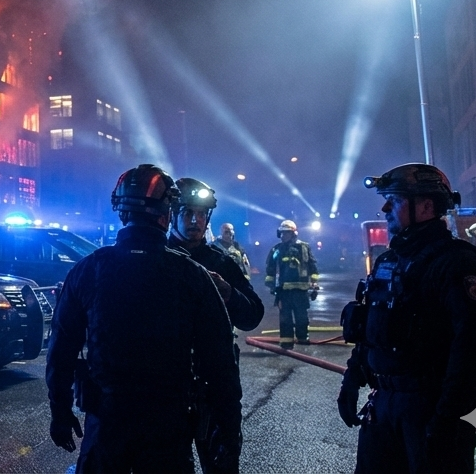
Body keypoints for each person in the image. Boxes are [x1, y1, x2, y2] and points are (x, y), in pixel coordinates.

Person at [46, 164, 241, 473]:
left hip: (106, 425)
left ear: (121, 212)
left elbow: (61, 350)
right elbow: (220, 364)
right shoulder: (192, 276)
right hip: (168, 429)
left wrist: (59, 411)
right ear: (166, 213)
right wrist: (230, 432)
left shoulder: (88, 270)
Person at [338, 164, 476, 473]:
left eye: (394, 200)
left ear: (425, 206)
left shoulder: (456, 262)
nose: (385, 208)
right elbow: (372, 328)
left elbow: (471, 350)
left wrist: (448, 420)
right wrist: (352, 380)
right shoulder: (389, 260)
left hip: (429, 407)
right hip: (384, 405)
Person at [168, 178, 263, 473]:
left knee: (223, 464)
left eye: (201, 214)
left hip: (216, 386)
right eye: (187, 213)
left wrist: (229, 293)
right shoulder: (156, 260)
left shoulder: (221, 263)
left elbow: (252, 316)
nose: (195, 221)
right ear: (171, 213)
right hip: (165, 387)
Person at [264, 219, 319, 349]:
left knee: (301, 317)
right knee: (285, 317)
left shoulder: (304, 248)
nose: (283, 236)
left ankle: (302, 337)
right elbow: (270, 269)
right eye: (281, 233)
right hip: (283, 291)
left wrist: (315, 284)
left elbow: (312, 266)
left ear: (293, 234)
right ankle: (286, 341)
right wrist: (272, 286)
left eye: (286, 233)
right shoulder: (276, 250)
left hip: (301, 290)